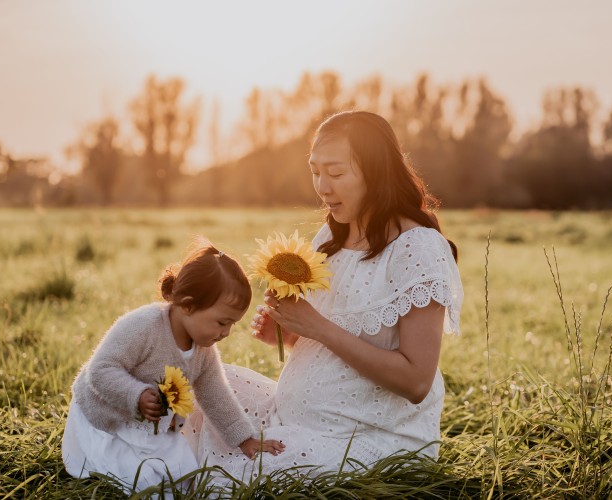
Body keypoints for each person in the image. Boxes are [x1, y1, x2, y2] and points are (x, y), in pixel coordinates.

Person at [189, 111, 463, 484]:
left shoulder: (417, 248)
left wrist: (317, 328)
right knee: (198, 386)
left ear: (376, 172)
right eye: (315, 171)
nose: (322, 187)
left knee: (227, 472)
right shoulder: (330, 238)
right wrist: (287, 334)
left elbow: (416, 381)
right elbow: (331, 332)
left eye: (335, 173)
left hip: (367, 439)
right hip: (291, 415)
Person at [62, 245, 285, 494]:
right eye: (222, 322)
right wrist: (135, 395)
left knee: (184, 474)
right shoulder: (143, 326)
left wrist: (245, 439)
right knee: (142, 480)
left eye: (232, 324)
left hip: (151, 425)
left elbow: (216, 395)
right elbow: (100, 370)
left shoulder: (204, 351)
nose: (226, 333)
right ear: (188, 305)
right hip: (106, 419)